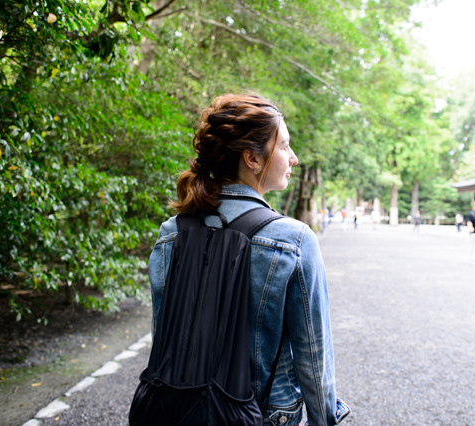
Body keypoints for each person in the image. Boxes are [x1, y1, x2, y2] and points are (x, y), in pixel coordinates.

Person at [148, 94, 348, 425]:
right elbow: (313, 356)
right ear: (252, 158)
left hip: (177, 412)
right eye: (285, 146)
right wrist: (324, 419)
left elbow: (163, 340)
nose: (294, 158)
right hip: (261, 416)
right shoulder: (294, 240)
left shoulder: (171, 233)